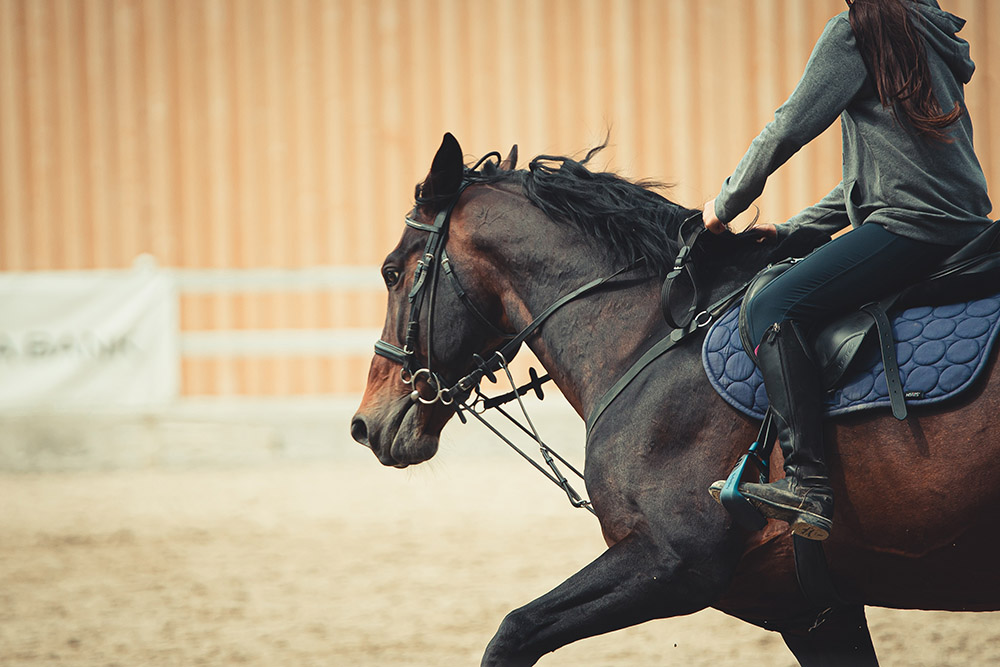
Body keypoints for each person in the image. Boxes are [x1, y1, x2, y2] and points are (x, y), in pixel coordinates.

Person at [703, 0, 993, 541]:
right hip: (958, 223)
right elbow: (887, 177)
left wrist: (724, 206)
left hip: (914, 229)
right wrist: (794, 232)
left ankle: (808, 484)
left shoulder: (857, 32)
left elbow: (788, 127)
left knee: (771, 305)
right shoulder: (922, 32)